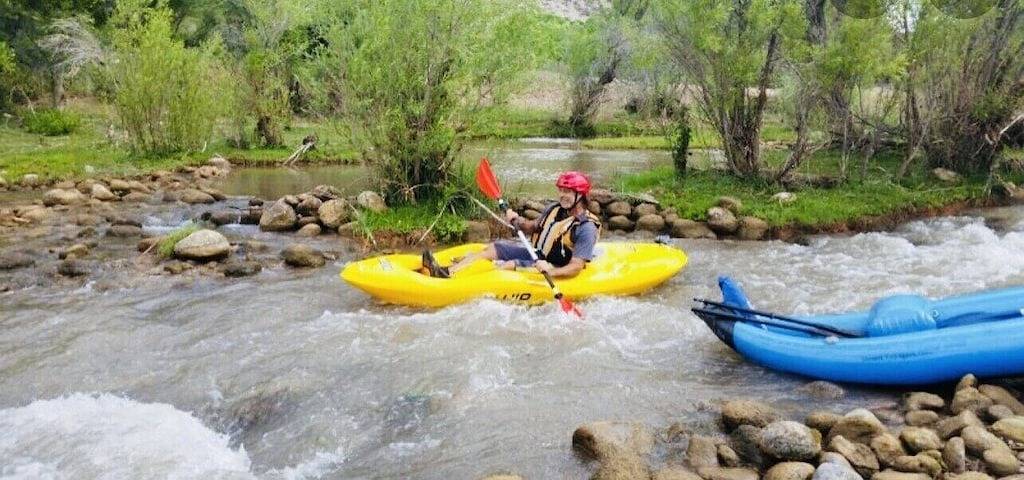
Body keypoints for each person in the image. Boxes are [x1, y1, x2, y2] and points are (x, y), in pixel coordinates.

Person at [422, 171, 602, 279]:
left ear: (580, 196)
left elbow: (576, 266)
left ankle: (469, 284)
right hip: (537, 255)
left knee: (508, 265)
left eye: (568, 192)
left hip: (555, 265)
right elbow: (532, 227)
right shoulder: (555, 208)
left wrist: (551, 271)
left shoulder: (586, 227)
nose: (562, 195)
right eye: (561, 190)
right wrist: (516, 220)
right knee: (493, 248)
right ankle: (447, 272)